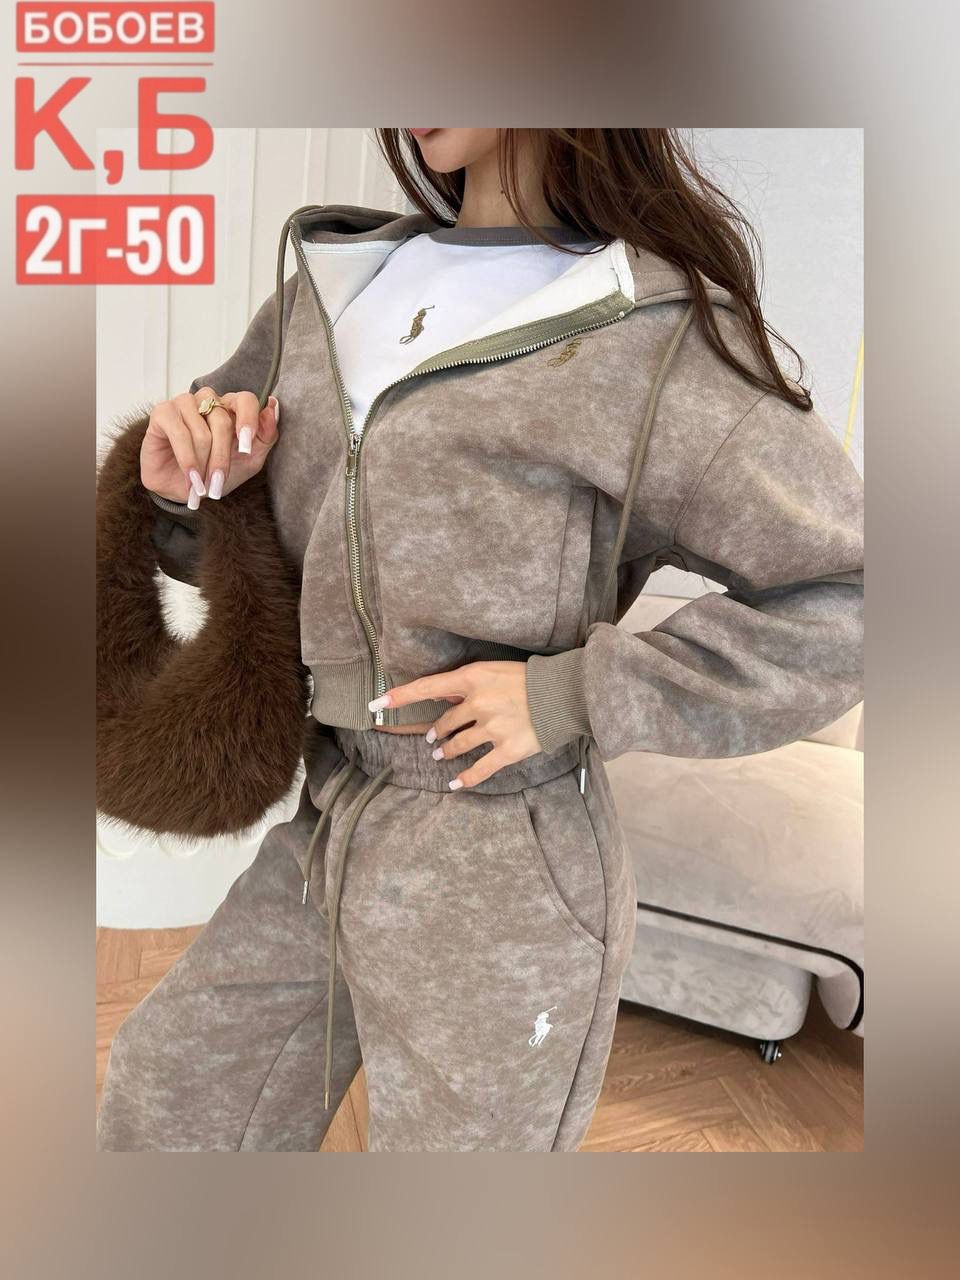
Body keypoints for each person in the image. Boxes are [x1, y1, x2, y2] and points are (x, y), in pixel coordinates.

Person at [95, 128, 864, 1152]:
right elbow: (270, 557)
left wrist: (574, 694)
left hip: (505, 857)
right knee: (173, 1085)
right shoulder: (327, 296)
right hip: (332, 811)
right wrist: (181, 489)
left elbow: (854, 597)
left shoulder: (649, 333)